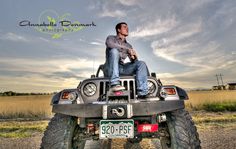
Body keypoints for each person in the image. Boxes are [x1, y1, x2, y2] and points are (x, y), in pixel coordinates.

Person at [104, 22, 149, 99]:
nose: (127, 29)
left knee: (141, 63)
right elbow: (110, 44)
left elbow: (134, 62)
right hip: (111, 67)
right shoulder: (111, 38)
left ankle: (143, 93)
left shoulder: (128, 45)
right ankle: (114, 84)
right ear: (118, 30)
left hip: (122, 68)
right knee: (114, 51)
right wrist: (127, 49)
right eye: (124, 27)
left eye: (127, 27)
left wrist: (134, 57)